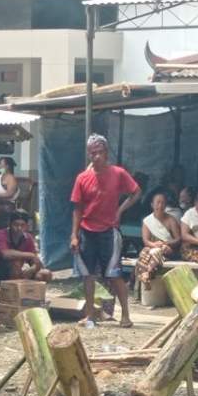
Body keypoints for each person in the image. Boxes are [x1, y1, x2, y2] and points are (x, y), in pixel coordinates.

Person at [69, 133, 139, 327]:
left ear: (106, 153)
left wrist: (120, 210)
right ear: (89, 155)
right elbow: (77, 208)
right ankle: (90, 315)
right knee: (88, 276)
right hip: (86, 231)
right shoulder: (82, 178)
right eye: (93, 153)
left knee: (114, 275)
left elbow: (136, 192)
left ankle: (125, 315)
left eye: (100, 152)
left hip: (109, 231)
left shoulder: (118, 173)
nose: (96, 156)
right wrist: (74, 235)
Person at [0, 210, 51, 286]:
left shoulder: (28, 238)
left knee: (45, 274)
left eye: (22, 225)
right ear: (10, 224)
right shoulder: (0, 234)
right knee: (15, 263)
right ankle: (13, 294)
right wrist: (30, 255)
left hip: (17, 273)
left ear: (27, 226)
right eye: (16, 225)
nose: (19, 228)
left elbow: (36, 261)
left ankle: (33, 294)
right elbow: (5, 254)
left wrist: (32, 268)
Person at [137, 192, 182, 284]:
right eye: (158, 202)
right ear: (152, 205)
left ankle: (148, 273)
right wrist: (154, 244)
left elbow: (178, 239)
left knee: (157, 251)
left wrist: (166, 243)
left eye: (163, 203)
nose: (160, 205)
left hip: (168, 251)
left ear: (166, 205)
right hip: (151, 249)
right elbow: (146, 240)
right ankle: (145, 275)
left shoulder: (171, 220)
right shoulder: (147, 221)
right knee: (144, 252)